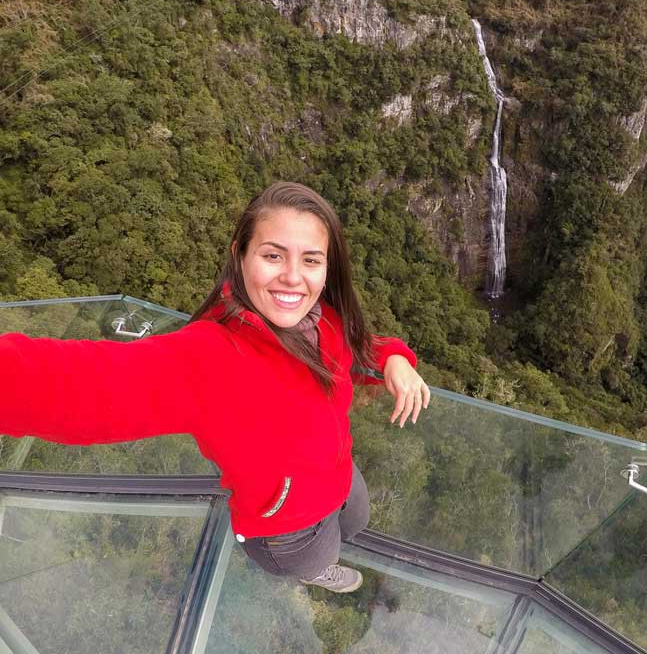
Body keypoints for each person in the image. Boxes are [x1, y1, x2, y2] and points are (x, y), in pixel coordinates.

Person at [0, 182, 430, 593]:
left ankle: (327, 553)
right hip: (286, 526)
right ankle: (315, 573)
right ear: (239, 255)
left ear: (326, 269)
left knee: (354, 518)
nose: (293, 278)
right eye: (273, 256)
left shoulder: (326, 320)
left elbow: (356, 352)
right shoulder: (211, 357)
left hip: (339, 477)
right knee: (319, 556)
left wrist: (395, 358)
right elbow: (77, 385)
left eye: (311, 260)